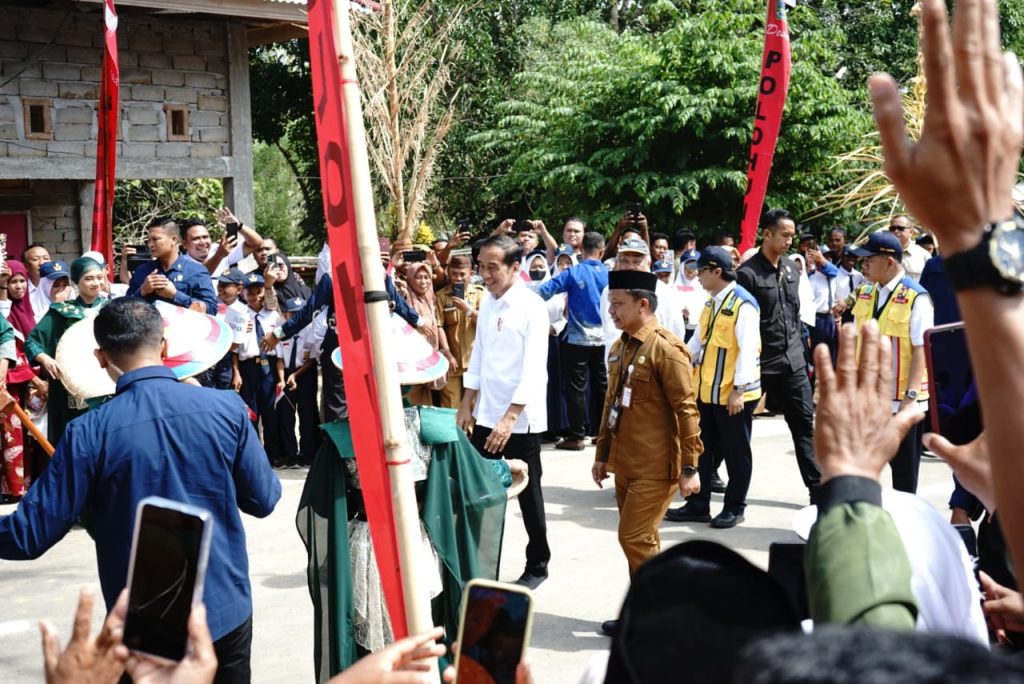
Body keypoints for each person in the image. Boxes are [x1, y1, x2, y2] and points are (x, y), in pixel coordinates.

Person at [1, 298, 281, 681]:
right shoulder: (226, 408)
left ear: (101, 358)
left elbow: (29, 534)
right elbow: (264, 500)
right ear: (164, 344)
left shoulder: (87, 432)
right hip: (224, 607)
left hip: (148, 622)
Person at [593, 269, 702, 636]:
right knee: (642, 542)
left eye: (618, 304)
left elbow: (687, 409)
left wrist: (690, 467)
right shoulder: (621, 346)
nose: (612, 311)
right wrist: (601, 455)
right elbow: (611, 405)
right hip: (626, 462)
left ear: (643, 304)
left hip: (657, 466)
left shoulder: (666, 349)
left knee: (634, 537)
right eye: (611, 304)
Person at [457, 234, 551, 590]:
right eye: (481, 266)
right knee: (481, 489)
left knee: (528, 493)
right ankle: (479, 562)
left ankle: (538, 563)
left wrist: (510, 418)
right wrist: (467, 402)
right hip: (486, 413)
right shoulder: (489, 304)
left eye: (492, 267)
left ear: (515, 267)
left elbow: (533, 371)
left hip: (520, 420)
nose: (485, 274)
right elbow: (478, 356)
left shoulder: (532, 308)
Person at [666, 247, 760, 528]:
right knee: (702, 450)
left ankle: (734, 506)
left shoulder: (743, 304)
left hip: (732, 395)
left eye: (701, 271)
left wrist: (739, 390)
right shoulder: (711, 302)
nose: (696, 277)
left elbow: (748, 350)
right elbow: (698, 341)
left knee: (736, 453)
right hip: (707, 391)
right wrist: (678, 359)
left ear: (716, 272)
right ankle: (698, 504)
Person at [736, 209, 822, 503]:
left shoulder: (791, 269)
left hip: (792, 360)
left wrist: (801, 346)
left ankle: (819, 490)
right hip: (760, 361)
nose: (789, 241)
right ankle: (710, 477)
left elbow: (794, 312)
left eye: (792, 236)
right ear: (767, 234)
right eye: (784, 235)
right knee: (735, 425)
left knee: (804, 425)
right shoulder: (746, 274)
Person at [849, 231, 933, 493]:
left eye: (869, 259)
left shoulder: (915, 297)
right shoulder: (864, 292)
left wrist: (910, 397)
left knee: (904, 474)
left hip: (902, 400)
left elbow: (921, 348)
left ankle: (903, 526)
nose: (863, 265)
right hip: (870, 397)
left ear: (889, 262)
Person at [537, 231, 608, 451]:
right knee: (603, 386)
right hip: (605, 339)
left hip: (577, 339)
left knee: (576, 388)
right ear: (602, 251)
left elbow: (544, 291)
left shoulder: (573, 272)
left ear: (581, 250)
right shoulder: (610, 273)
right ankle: (604, 434)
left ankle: (577, 436)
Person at [26, 257, 108, 446]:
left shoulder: (112, 309)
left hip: (106, 383)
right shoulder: (61, 311)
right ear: (77, 281)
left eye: (99, 277)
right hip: (70, 386)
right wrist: (45, 358)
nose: (96, 283)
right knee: (74, 438)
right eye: (89, 278)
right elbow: (32, 342)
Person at [0, 260, 44, 501]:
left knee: (19, 438)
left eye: (21, 281)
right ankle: (12, 488)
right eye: (12, 281)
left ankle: (19, 487)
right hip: (11, 381)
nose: (18, 287)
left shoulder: (29, 311)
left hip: (24, 384)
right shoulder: (5, 311)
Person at [235, 272, 283, 467]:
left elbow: (280, 347)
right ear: (243, 293)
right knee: (251, 411)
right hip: (248, 367)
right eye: (251, 292)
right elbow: (235, 349)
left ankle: (273, 453)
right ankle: (254, 456)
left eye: (259, 291)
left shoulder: (273, 316)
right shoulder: (239, 315)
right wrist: (236, 371)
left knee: (270, 411)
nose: (255, 296)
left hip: (269, 367)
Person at [126, 217, 218, 314]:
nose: (150, 245)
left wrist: (175, 295)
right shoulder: (143, 271)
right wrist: (142, 291)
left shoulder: (196, 271)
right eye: (148, 240)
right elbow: (124, 308)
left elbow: (211, 310)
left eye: (155, 239)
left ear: (173, 240)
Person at [274, 295, 321, 468]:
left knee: (307, 414)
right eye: (291, 314)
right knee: (286, 415)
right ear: (285, 314)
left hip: (305, 374)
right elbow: (279, 358)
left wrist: (296, 375)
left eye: (298, 314)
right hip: (286, 373)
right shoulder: (280, 331)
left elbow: (312, 359)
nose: (294, 318)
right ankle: (290, 453)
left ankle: (307, 453)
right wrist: (282, 379)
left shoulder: (309, 330)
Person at [404, 260, 456, 406]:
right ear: (410, 279)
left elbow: (438, 326)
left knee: (427, 400)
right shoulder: (406, 297)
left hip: (430, 356)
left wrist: (445, 351)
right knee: (412, 398)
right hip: (412, 360)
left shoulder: (432, 298)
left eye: (426, 277)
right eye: (418, 277)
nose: (423, 282)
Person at [435, 254, 484, 409]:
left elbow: (487, 322)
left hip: (475, 360)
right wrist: (448, 353)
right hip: (452, 360)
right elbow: (439, 326)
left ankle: (473, 434)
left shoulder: (480, 294)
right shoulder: (441, 296)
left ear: (471, 272)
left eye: (462, 274)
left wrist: (468, 310)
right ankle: (455, 434)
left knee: (475, 405)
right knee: (451, 404)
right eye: (454, 273)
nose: (458, 278)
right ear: (448, 272)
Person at [674, 250, 706, 342]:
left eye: (694, 267)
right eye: (687, 267)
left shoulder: (705, 286)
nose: (690, 271)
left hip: (699, 331)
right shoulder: (673, 286)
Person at [888, 215, 931, 282]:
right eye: (892, 228)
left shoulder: (923, 255)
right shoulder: (881, 253)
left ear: (911, 232)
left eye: (900, 228)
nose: (896, 231)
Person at [22, 243, 52, 317]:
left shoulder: (63, 287)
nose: (42, 263)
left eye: (46, 258)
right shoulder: (22, 291)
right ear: (25, 266)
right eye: (36, 259)